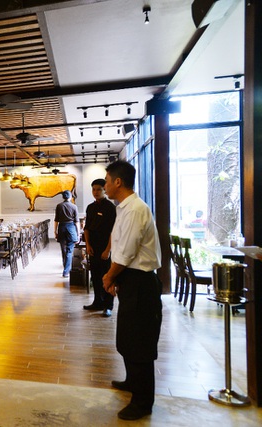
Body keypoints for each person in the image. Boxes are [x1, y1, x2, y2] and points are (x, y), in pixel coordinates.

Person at [102, 160, 162, 421]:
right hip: (130, 279)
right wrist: (116, 276)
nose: (104, 186)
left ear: (118, 182)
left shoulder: (135, 209)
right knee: (129, 336)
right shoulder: (125, 208)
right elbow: (121, 247)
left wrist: (109, 276)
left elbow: (126, 252)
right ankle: (132, 382)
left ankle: (143, 402)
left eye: (106, 181)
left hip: (140, 282)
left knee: (140, 341)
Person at [83, 178, 116, 317]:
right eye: (93, 189)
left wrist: (108, 250)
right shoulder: (90, 207)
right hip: (93, 247)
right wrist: (88, 245)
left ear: (105, 190)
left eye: (99, 189)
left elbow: (113, 231)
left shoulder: (110, 207)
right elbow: (87, 228)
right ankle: (97, 301)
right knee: (95, 276)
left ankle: (108, 305)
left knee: (107, 276)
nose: (95, 192)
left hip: (105, 247)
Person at [54, 190, 79, 277]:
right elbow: (76, 222)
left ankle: (66, 268)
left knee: (63, 250)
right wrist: (78, 234)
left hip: (61, 228)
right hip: (71, 228)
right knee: (69, 251)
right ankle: (66, 271)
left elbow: (56, 220)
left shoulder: (59, 206)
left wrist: (55, 231)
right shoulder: (74, 206)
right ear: (70, 197)